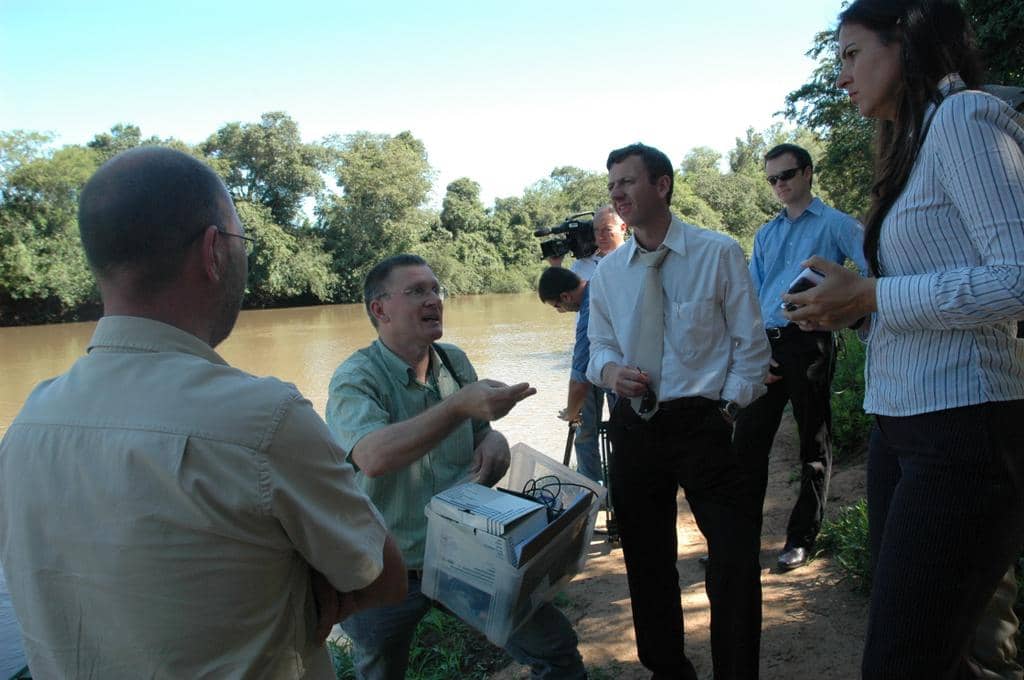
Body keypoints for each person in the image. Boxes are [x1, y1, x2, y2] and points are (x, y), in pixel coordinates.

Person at [0, 147, 406, 678]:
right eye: (241, 242)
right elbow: (384, 577)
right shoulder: (265, 420)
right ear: (214, 251)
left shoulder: (25, 427)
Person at [785, 1, 1024, 676]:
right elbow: (935, 292)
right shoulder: (913, 143)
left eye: (852, 55)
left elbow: (1019, 276)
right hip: (906, 428)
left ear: (908, 41)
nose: (842, 77)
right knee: (934, 658)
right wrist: (853, 310)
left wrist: (873, 294)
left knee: (903, 662)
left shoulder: (966, 118)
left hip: (964, 431)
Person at [326, 253, 587, 680]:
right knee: (379, 672)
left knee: (555, 648)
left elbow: (480, 431)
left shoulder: (454, 362)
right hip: (384, 568)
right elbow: (373, 457)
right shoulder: (355, 378)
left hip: (464, 553)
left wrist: (494, 439)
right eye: (415, 291)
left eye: (434, 289)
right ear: (380, 309)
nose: (433, 300)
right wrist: (458, 406)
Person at [587, 143, 770, 678]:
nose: (617, 193)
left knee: (734, 559)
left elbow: (751, 347)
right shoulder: (609, 273)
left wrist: (729, 408)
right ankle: (668, 669)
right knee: (646, 561)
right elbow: (598, 344)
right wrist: (609, 373)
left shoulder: (717, 252)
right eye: (612, 185)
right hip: (634, 426)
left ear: (662, 185)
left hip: (705, 423)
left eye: (627, 181)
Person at [733, 143, 867, 571]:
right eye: (772, 179)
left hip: (809, 341)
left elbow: (874, 267)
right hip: (766, 345)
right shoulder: (766, 233)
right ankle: (738, 542)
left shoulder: (837, 225)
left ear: (807, 172)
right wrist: (752, 348)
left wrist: (846, 310)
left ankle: (801, 538)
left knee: (813, 442)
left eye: (786, 175)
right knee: (746, 445)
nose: (779, 185)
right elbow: (751, 296)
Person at [537, 265, 605, 482]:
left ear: (566, 296)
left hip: (623, 381)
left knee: (583, 426)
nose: (560, 311)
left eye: (558, 305)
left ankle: (590, 488)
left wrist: (570, 412)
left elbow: (579, 380)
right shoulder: (600, 285)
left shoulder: (588, 313)